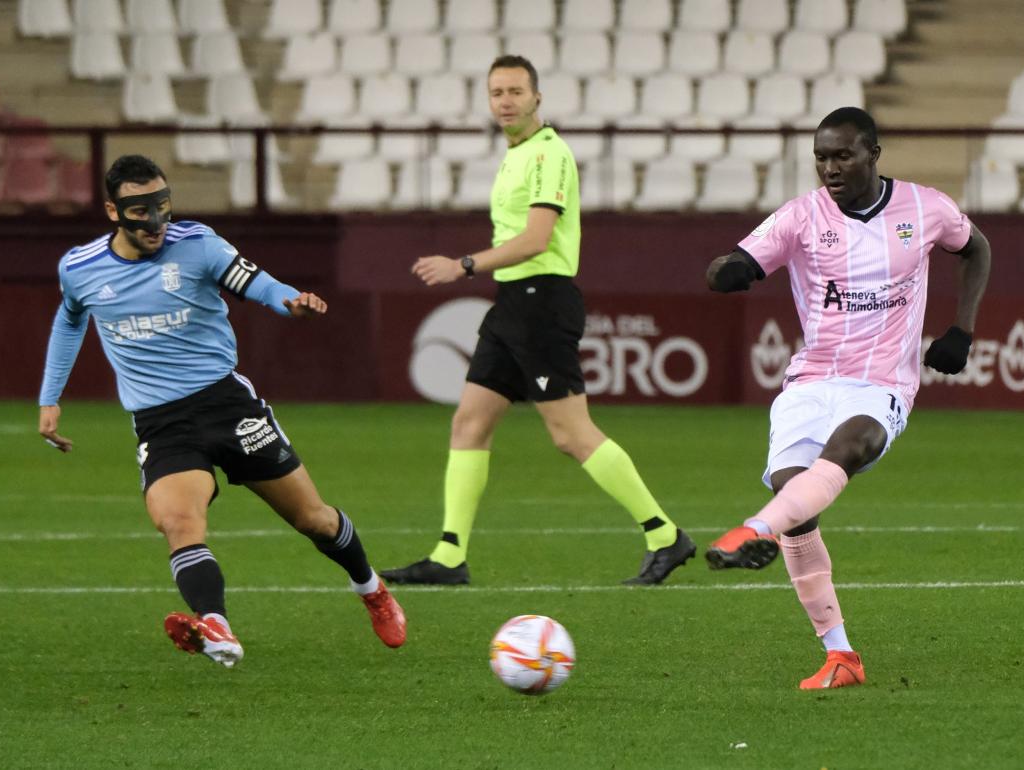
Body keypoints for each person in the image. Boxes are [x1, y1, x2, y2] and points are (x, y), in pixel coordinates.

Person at [37, 155, 406, 667]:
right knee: (177, 522)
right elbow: (70, 320)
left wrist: (289, 302)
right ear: (112, 210)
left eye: (162, 207)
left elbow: (257, 283)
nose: (155, 222)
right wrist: (50, 396)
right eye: (140, 211)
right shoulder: (80, 268)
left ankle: (371, 590)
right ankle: (217, 627)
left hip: (227, 405)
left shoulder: (198, 245)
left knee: (313, 520)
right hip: (162, 423)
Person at [702, 107, 991, 689]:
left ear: (873, 154)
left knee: (852, 446)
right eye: (821, 158)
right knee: (796, 497)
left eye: (843, 156)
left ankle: (755, 529)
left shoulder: (924, 208)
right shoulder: (801, 217)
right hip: (811, 381)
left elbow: (977, 248)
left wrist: (962, 328)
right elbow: (733, 260)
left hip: (882, 382)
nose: (830, 168)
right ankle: (841, 656)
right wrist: (728, 271)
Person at [380, 55, 695, 587]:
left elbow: (536, 240)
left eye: (515, 92)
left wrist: (463, 265)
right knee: (469, 423)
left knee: (571, 435)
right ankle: (449, 555)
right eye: (496, 92)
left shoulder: (550, 154)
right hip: (512, 304)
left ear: (537, 98)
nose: (505, 101)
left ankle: (664, 534)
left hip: (542, 302)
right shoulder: (518, 154)